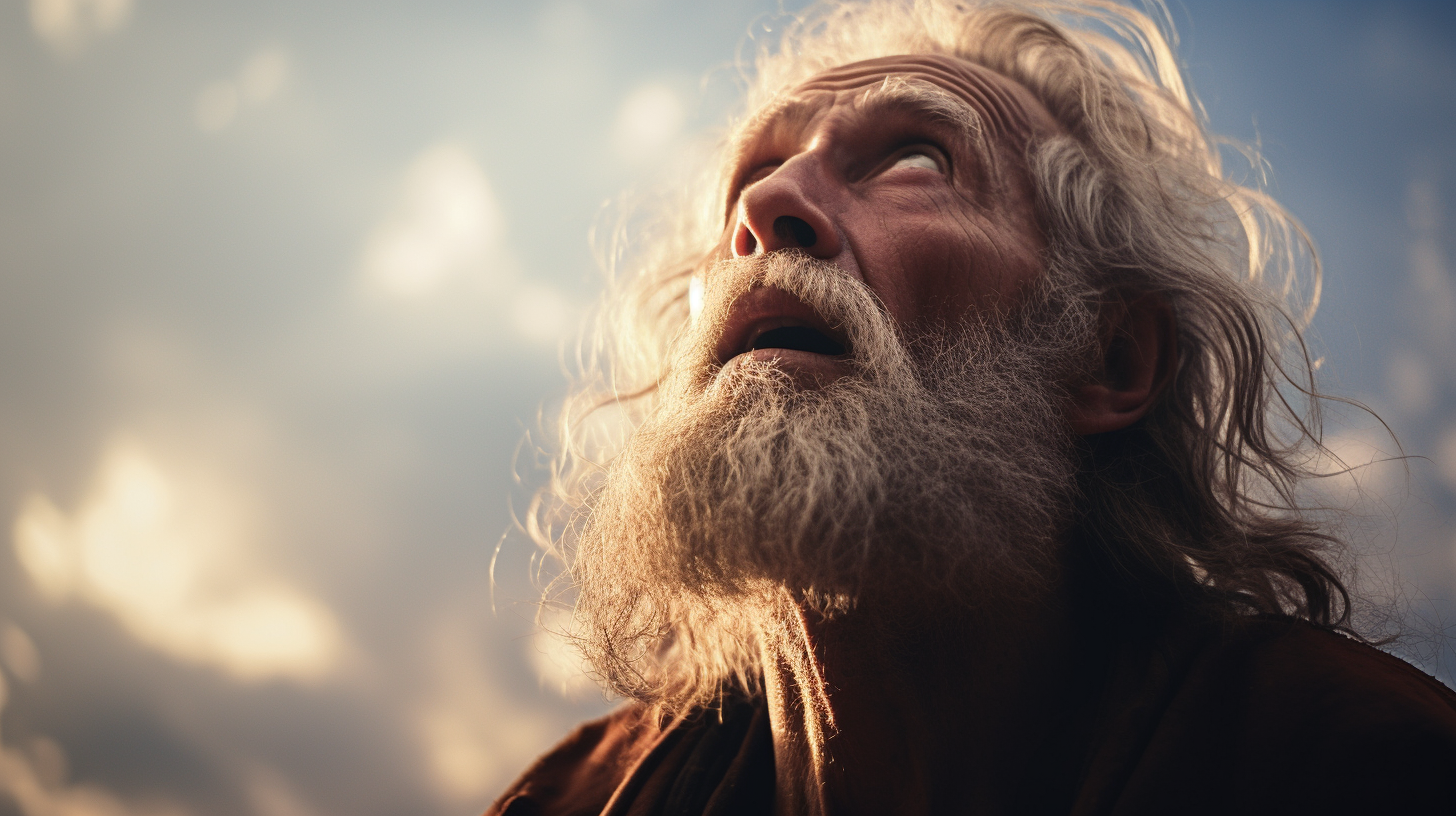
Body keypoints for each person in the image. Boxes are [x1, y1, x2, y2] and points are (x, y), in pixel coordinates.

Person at [490, 1, 1456, 813]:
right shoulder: (574, 799)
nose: (769, 206)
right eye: (750, 180)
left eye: (916, 160)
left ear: (1110, 358)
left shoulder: (1358, 763)